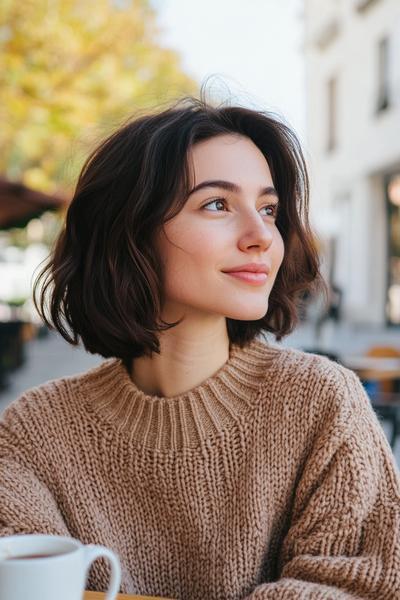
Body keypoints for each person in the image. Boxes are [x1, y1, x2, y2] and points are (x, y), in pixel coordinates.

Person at [0, 97, 399, 599]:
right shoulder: (34, 434)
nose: (262, 237)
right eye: (217, 204)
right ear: (131, 232)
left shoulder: (321, 402)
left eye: (269, 209)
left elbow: (364, 586)